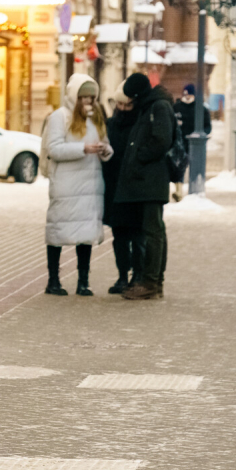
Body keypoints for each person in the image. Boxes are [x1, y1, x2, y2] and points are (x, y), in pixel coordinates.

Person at [43, 73, 112, 296]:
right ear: (74, 97)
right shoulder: (59, 117)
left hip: (90, 185)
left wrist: (104, 150)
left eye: (91, 98)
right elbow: (53, 149)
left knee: (86, 234)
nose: (88, 102)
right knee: (57, 231)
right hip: (66, 185)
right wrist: (82, 149)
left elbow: (107, 145)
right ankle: (53, 280)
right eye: (83, 98)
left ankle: (83, 281)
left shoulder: (96, 117)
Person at [116, 73, 176, 300]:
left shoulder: (157, 107)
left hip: (152, 178)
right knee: (154, 230)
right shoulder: (151, 105)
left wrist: (140, 155)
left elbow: (161, 140)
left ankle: (151, 281)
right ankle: (153, 281)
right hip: (148, 179)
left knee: (153, 231)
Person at [103, 89, 144, 294]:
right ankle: (121, 275)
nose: (123, 109)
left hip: (134, 187)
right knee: (119, 235)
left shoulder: (140, 125)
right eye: (120, 105)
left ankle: (137, 275)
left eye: (128, 106)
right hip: (114, 186)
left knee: (136, 234)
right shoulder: (111, 125)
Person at [172, 83, 212, 199]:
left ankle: (193, 188)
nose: (187, 97)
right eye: (185, 94)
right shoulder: (177, 107)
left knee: (194, 165)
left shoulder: (201, 108)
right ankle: (179, 190)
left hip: (195, 144)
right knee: (179, 166)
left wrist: (202, 134)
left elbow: (208, 126)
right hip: (179, 142)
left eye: (189, 94)